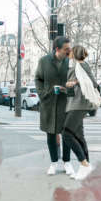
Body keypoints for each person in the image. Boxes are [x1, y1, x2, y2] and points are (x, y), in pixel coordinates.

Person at [35, 36, 74, 176]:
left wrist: (68, 89)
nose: (69, 51)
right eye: (66, 49)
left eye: (69, 48)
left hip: (66, 103)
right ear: (57, 49)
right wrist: (43, 93)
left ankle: (67, 162)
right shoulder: (44, 61)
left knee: (67, 134)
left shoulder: (71, 62)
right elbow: (38, 79)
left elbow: (75, 81)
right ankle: (53, 162)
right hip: (49, 103)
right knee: (51, 134)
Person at [63, 45, 101, 180]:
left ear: (75, 53)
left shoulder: (83, 65)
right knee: (79, 135)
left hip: (80, 105)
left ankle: (84, 164)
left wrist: (76, 82)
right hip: (73, 104)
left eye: (71, 51)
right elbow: (73, 91)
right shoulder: (75, 67)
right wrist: (67, 87)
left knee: (66, 134)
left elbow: (93, 83)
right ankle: (86, 168)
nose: (70, 53)